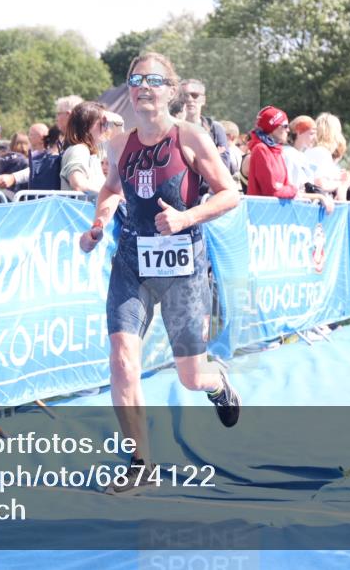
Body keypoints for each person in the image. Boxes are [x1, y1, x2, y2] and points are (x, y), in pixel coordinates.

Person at [78, 53, 241, 493]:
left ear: (170, 89)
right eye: (136, 79)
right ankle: (141, 463)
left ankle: (216, 381)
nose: (143, 86)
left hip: (182, 265)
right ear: (129, 89)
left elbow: (230, 195)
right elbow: (111, 190)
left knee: (190, 376)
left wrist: (187, 219)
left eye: (153, 80)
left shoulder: (189, 138)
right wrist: (98, 224)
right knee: (122, 360)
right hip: (132, 261)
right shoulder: (118, 144)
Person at [178, 78, 232, 174]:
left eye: (195, 95)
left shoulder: (215, 129)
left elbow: (224, 166)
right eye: (185, 95)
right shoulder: (171, 128)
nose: (190, 99)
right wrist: (212, 156)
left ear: (203, 100)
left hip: (208, 188)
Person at [60, 101, 108, 193]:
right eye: (102, 123)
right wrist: (109, 195)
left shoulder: (85, 150)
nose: (106, 127)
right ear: (87, 125)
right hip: (81, 207)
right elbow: (78, 184)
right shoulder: (79, 150)